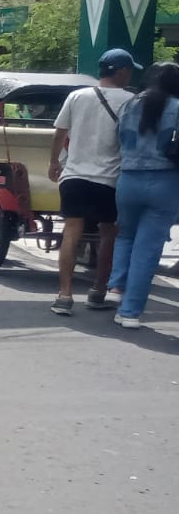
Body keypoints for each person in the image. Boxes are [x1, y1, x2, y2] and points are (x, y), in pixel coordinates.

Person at [47, 49, 139, 315]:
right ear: (121, 71)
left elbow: (59, 133)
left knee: (71, 232)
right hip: (110, 179)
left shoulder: (76, 96)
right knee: (108, 233)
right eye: (129, 70)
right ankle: (98, 291)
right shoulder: (131, 101)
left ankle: (64, 295)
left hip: (74, 176)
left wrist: (54, 162)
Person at [106, 62, 179, 329]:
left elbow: (118, 139)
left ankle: (115, 288)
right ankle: (130, 312)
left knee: (125, 235)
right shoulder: (177, 107)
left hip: (128, 179)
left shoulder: (129, 105)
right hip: (166, 182)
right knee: (147, 250)